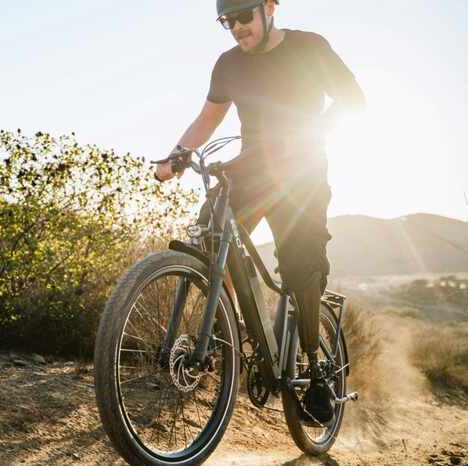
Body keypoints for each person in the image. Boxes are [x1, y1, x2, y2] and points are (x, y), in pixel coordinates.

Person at [154, 0, 365, 425]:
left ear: (269, 7)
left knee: (301, 266)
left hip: (301, 172)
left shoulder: (309, 47)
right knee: (209, 234)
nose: (236, 27)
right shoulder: (228, 65)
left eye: (243, 16)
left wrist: (309, 133)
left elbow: (353, 101)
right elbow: (208, 119)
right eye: (227, 21)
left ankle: (315, 370)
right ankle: (229, 330)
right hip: (250, 169)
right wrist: (177, 155)